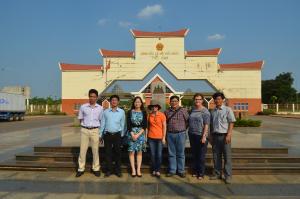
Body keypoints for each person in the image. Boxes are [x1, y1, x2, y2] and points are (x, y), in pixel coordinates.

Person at [209, 92, 236, 184]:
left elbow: (231, 122)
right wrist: (211, 136)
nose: (217, 100)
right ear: (214, 100)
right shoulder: (212, 111)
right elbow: (211, 125)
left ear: (222, 100)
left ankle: (228, 176)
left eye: (219, 99)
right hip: (215, 136)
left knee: (227, 157)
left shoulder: (228, 110)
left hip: (225, 136)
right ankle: (217, 173)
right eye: (216, 99)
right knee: (216, 156)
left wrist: (229, 134)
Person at [76, 89, 103, 177]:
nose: (92, 98)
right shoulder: (83, 107)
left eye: (94, 96)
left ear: (97, 97)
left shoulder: (100, 108)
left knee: (95, 150)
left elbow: (101, 120)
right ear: (89, 97)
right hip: (85, 130)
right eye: (91, 96)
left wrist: (99, 133)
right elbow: (80, 119)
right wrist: (85, 127)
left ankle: (96, 168)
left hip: (95, 130)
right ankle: (81, 168)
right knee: (82, 150)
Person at [99, 95, 126, 177]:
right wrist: (101, 135)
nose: (114, 101)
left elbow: (123, 125)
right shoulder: (105, 112)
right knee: (108, 153)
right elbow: (102, 124)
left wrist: (122, 135)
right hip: (107, 135)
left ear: (118, 102)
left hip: (117, 135)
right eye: (112, 100)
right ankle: (109, 170)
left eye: (115, 100)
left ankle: (118, 171)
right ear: (110, 102)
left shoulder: (121, 112)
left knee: (118, 153)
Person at [165, 95, 189, 178]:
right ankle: (172, 170)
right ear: (170, 102)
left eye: (175, 101)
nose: (174, 102)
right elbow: (165, 123)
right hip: (170, 134)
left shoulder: (183, 110)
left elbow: (187, 121)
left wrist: (183, 129)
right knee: (171, 153)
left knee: (181, 153)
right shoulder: (167, 111)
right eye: (172, 101)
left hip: (180, 134)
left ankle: (181, 171)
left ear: (178, 102)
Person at [188, 93, 210, 180]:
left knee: (201, 156)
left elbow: (206, 124)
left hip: (201, 135)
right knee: (194, 154)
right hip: (192, 134)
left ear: (202, 100)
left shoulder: (205, 111)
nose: (197, 101)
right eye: (196, 99)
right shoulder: (193, 110)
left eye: (199, 99)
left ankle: (201, 173)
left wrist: (204, 136)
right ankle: (195, 171)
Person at [127, 96, 147, 177]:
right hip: (131, 133)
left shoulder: (144, 112)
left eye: (139, 102)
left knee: (139, 152)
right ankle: (133, 170)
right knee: (131, 152)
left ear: (141, 103)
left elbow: (145, 125)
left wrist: (138, 134)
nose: (137, 103)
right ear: (134, 103)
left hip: (140, 134)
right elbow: (128, 125)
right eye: (136, 102)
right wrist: (132, 134)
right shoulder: (129, 112)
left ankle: (138, 169)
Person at [147, 100, 166, 178]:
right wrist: (146, 137)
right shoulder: (149, 115)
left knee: (159, 154)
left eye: (156, 106)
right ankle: (154, 169)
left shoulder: (162, 115)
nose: (154, 107)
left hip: (159, 137)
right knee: (152, 154)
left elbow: (164, 126)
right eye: (152, 106)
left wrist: (164, 137)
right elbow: (147, 127)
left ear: (158, 107)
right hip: (151, 137)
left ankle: (158, 170)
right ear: (151, 107)